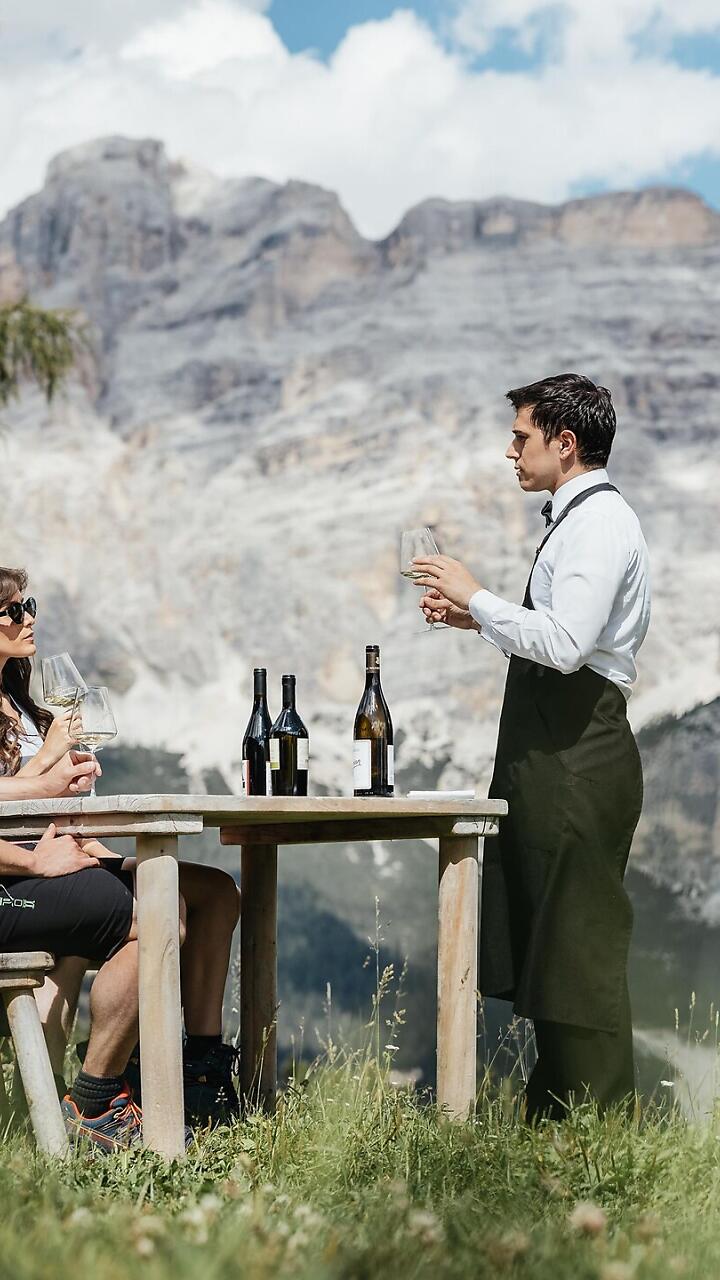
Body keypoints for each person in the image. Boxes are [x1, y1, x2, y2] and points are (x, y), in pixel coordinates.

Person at [414, 374, 650, 1120]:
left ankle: (599, 1128)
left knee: (577, 948)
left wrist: (476, 594)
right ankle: (558, 1127)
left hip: (577, 758)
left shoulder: (598, 523)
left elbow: (569, 646)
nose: (510, 451)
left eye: (521, 437)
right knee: (555, 946)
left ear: (564, 442)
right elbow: (558, 634)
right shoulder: (580, 519)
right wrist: (478, 621)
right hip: (556, 757)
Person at [0, 566, 241, 1144]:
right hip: (14, 878)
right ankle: (97, 1099)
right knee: (157, 912)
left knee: (214, 891)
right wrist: (36, 846)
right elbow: (25, 800)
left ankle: (199, 1068)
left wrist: (81, 825)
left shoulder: (19, 702)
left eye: (30, 606)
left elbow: (36, 803)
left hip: (49, 857)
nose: (28, 619)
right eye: (12, 611)